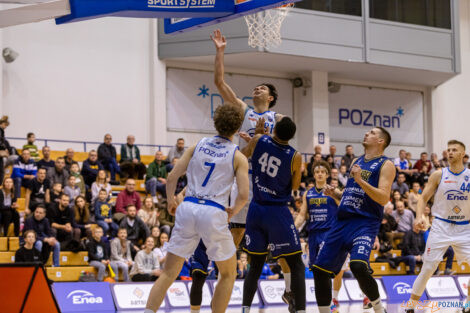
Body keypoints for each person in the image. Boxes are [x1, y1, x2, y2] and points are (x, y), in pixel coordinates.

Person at [144, 104, 249, 313]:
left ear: (216, 123)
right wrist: (233, 211)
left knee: (168, 273)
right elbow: (244, 195)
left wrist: (171, 201)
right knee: (228, 274)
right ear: (237, 129)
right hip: (213, 210)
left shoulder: (196, 145)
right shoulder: (238, 156)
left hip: (188, 206)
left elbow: (172, 177)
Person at [211, 29, 283, 255]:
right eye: (256, 87)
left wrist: (264, 139)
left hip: (267, 180)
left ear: (270, 98)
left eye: (262, 88)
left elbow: (284, 151)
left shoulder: (279, 119)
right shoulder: (245, 111)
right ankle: (226, 274)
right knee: (237, 232)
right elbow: (219, 82)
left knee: (270, 236)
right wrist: (220, 52)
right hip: (245, 177)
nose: (257, 88)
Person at [313, 127, 395, 313]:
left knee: (358, 265)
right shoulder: (358, 161)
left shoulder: (386, 164)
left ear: (381, 141)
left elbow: (383, 198)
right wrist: (336, 193)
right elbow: (350, 195)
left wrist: (360, 180)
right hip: (342, 222)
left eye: (372, 132)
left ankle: (378, 308)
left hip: (364, 223)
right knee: (320, 270)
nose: (367, 133)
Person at [241, 116, 306, 313]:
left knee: (255, 264)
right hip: (276, 211)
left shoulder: (260, 140)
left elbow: (245, 155)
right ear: (292, 136)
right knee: (296, 264)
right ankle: (301, 310)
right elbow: (295, 186)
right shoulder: (295, 156)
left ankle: (245, 309)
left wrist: (257, 137)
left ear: (274, 129)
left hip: (256, 208)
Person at [405, 140, 470, 313]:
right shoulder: (439, 174)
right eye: (448, 149)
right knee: (428, 268)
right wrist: (419, 217)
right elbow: (422, 198)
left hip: (465, 227)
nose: (450, 152)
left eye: (454, 150)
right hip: (441, 225)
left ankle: (468, 304)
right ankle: (410, 306)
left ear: (463, 154)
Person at [295, 160, 341, 312]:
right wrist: (293, 228)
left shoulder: (334, 191)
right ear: (314, 175)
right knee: (316, 273)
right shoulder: (308, 193)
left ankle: (330, 304)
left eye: (322, 172)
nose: (320, 174)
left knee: (323, 271)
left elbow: (344, 208)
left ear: (327, 175)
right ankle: (325, 306)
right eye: (317, 172)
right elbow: (302, 215)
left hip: (329, 235)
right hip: (313, 236)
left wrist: (335, 196)